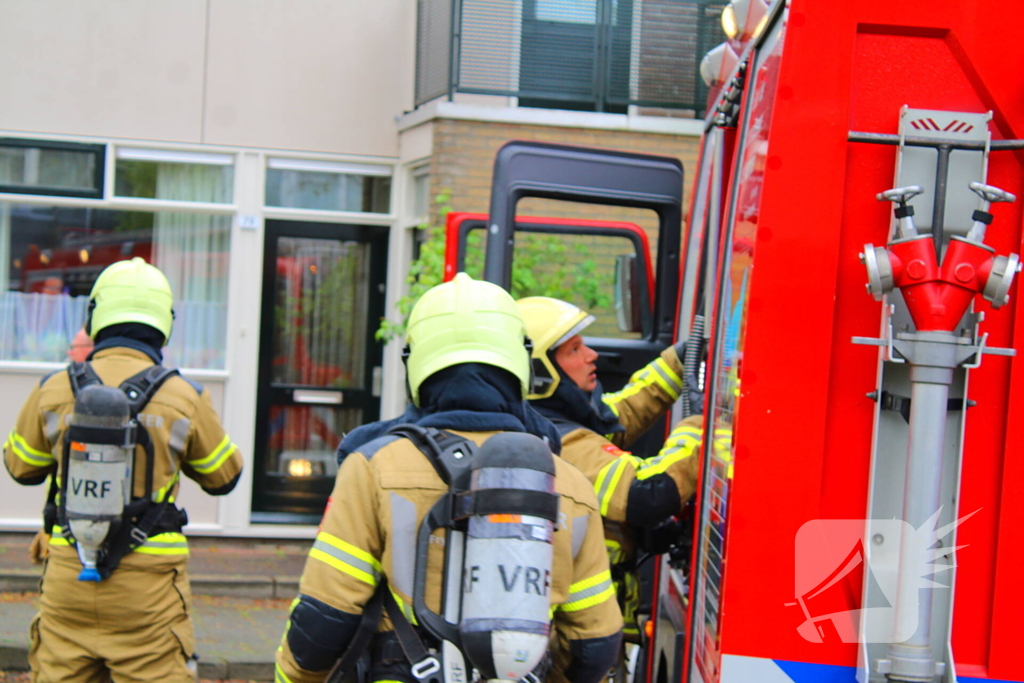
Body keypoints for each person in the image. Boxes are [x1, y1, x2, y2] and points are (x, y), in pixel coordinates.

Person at [276, 273, 622, 683]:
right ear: (519, 361)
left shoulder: (373, 468)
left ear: (415, 363)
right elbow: (594, 644)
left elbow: (322, 624)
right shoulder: (569, 484)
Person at [3, 257, 243, 683]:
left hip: (68, 578)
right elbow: (224, 477)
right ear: (164, 322)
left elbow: (22, 467)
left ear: (94, 315)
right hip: (148, 593)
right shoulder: (184, 395)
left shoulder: (54, 388)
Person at [517, 296, 703, 643]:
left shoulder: (554, 419)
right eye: (574, 350)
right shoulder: (558, 443)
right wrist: (702, 426)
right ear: (540, 372)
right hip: (573, 643)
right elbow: (650, 493)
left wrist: (680, 360)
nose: (591, 355)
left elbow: (619, 414)